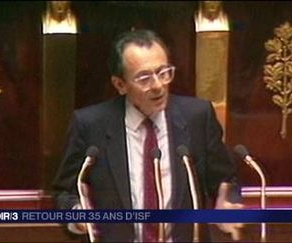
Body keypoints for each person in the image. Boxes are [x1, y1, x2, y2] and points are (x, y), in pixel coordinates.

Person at [52, 29, 243, 242]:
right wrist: (77, 214)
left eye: (163, 72)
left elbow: (225, 181)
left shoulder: (198, 117)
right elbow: (64, 192)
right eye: (144, 78)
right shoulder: (90, 124)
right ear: (120, 84)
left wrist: (227, 204)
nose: (158, 86)